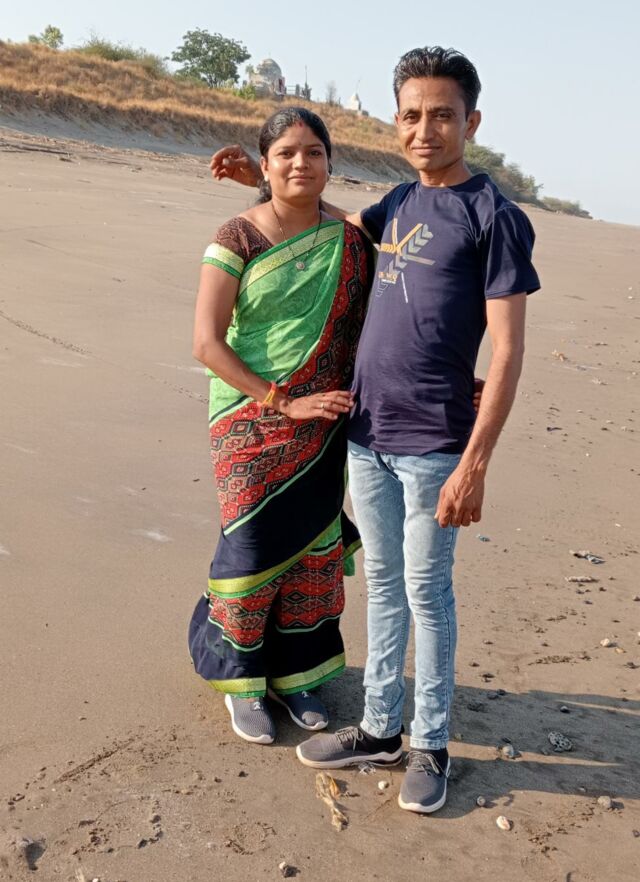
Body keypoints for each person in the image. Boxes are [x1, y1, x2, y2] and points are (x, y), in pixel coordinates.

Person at [211, 45, 539, 813]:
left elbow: (509, 350)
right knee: (385, 586)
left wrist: (475, 464)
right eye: (412, 115)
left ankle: (430, 744)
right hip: (367, 436)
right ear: (397, 122)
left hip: (435, 445)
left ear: (471, 123)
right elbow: (328, 226)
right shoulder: (397, 203)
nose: (426, 130)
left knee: (428, 592)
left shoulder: (495, 217)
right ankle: (381, 729)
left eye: (443, 115)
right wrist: (262, 180)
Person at [189, 107, 371, 745]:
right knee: (253, 542)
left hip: (326, 418)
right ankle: (241, 680)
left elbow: (382, 247)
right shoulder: (237, 236)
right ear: (264, 165)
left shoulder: (349, 239)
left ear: (330, 163)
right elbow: (206, 343)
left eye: (314, 152)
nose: (302, 163)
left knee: (313, 546)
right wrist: (281, 401)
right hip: (249, 414)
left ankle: (298, 676)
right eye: (286, 154)